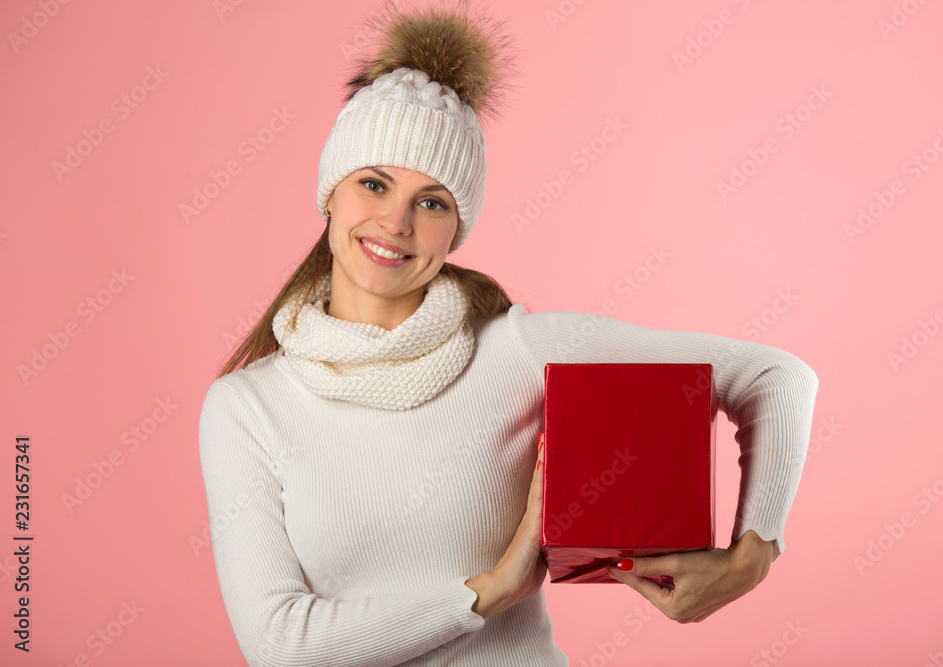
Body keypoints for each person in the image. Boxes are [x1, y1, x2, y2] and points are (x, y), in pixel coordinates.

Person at [197, 2, 820, 665]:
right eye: (373, 183)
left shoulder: (520, 350)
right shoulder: (248, 407)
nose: (396, 221)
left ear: (457, 225)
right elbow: (278, 645)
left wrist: (753, 554)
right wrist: (486, 593)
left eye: (431, 201)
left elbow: (778, 378)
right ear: (331, 194)